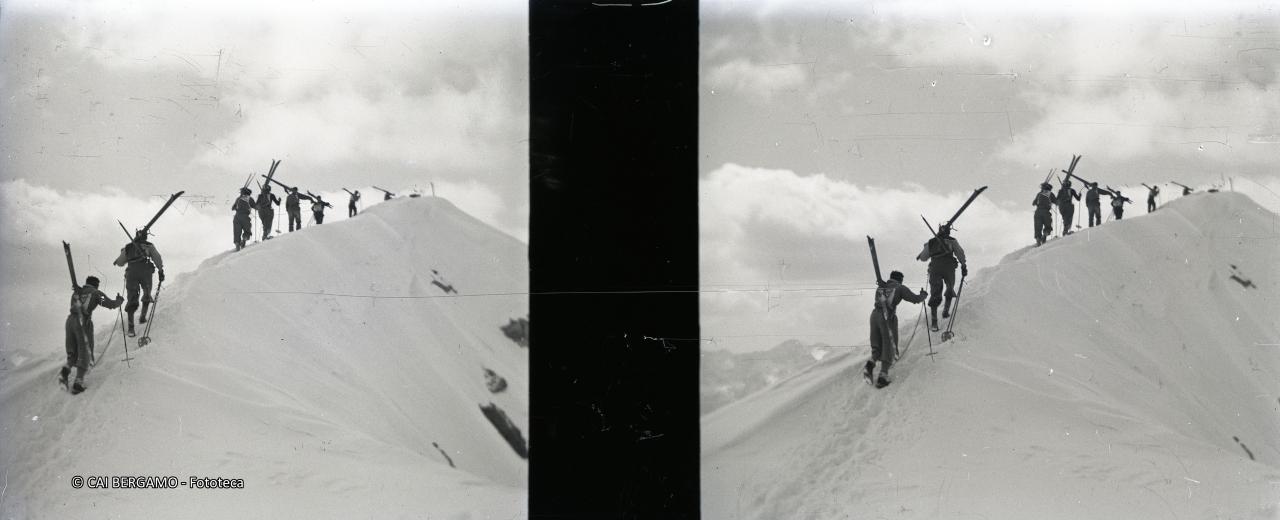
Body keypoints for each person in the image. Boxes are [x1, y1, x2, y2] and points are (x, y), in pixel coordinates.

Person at [61, 276, 124, 394]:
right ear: (96, 285)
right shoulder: (96, 293)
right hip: (82, 322)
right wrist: (119, 300)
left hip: (70, 321)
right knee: (85, 350)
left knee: (73, 350)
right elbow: (110, 304)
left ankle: (65, 371)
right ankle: (78, 383)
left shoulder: (77, 292)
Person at [864, 271, 926, 388]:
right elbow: (915, 299)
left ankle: (870, 365)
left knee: (877, 345)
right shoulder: (900, 288)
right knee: (889, 345)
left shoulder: (881, 286)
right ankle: (883, 376)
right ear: (900, 280)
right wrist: (923, 295)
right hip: (887, 317)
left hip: (874, 315)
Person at [112, 229, 164, 337]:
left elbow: (121, 263)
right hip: (146, 272)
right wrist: (160, 270)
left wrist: (121, 254)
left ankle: (131, 328)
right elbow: (157, 258)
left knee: (132, 298)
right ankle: (142, 317)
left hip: (131, 273)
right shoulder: (149, 246)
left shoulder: (128, 247)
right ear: (145, 237)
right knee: (147, 293)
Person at [915, 223, 967, 331]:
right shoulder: (952, 240)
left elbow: (924, 258)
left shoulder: (932, 241)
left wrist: (926, 247)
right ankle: (946, 312)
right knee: (950, 288)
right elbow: (960, 253)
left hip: (935, 267)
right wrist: (963, 265)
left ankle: (934, 322)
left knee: (935, 292)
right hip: (949, 267)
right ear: (948, 231)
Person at [1032, 182, 1057, 246]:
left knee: (1037, 227)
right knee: (1048, 226)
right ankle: (1044, 235)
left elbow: (1033, 203)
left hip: (1037, 212)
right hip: (1046, 212)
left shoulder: (1039, 194)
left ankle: (1038, 239)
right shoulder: (1050, 194)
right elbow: (1057, 202)